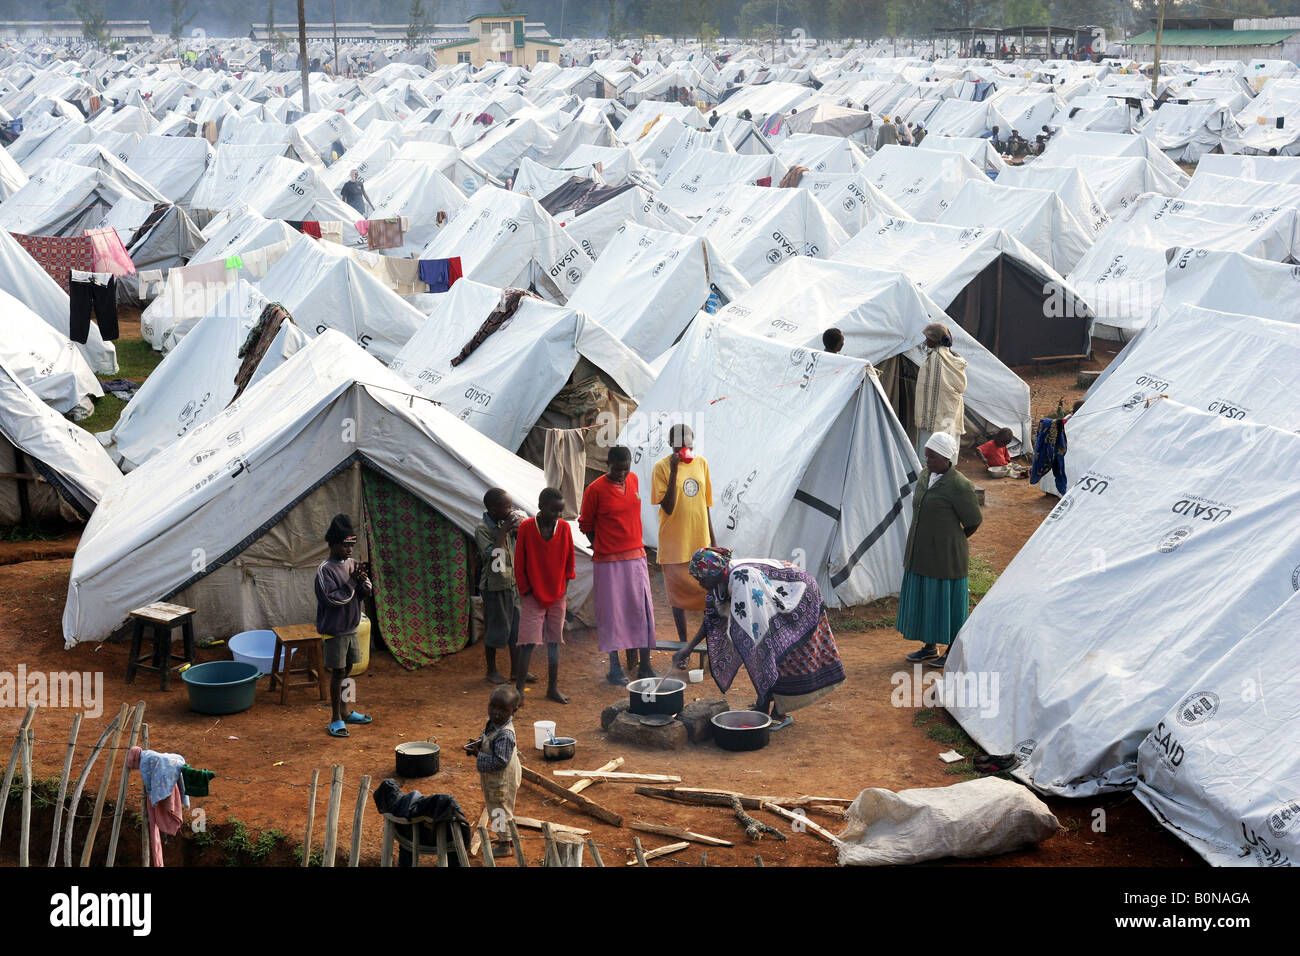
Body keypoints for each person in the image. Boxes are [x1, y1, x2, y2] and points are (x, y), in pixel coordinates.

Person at [671, 548, 846, 728]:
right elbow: (712, 620)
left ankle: (779, 713)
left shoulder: (742, 579)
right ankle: (764, 702)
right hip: (778, 595)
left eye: (702, 579)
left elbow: (757, 632)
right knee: (766, 652)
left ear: (714, 573)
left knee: (781, 652)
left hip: (799, 594)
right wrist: (688, 648)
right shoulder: (717, 583)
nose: (700, 584)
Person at [898, 433, 982, 666]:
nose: (928, 461)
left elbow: (974, 520)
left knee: (946, 603)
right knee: (926, 600)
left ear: (947, 459)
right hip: (920, 552)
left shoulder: (959, 485)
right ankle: (929, 646)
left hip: (946, 557)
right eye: (926, 456)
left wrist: (953, 540)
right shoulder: (925, 476)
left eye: (932, 457)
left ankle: (951, 651)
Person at [580, 446, 657, 686]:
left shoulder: (633, 480)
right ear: (607, 464)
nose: (622, 473)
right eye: (617, 469)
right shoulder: (594, 490)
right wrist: (600, 545)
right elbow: (586, 524)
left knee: (641, 609)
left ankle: (645, 664)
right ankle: (614, 668)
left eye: (626, 468)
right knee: (613, 613)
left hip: (636, 555)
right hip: (608, 560)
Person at [653, 424, 716, 646]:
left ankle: (706, 645)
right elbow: (668, 507)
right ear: (670, 445)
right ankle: (683, 643)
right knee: (677, 599)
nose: (683, 448)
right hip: (673, 545)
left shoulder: (702, 463)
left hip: (700, 544)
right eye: (678, 444)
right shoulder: (661, 468)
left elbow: (706, 505)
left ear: (693, 441)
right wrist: (674, 471)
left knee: (708, 597)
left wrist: (713, 544)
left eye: (687, 443)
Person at [514, 487, 575, 704]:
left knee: (554, 641)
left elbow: (569, 561)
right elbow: (519, 562)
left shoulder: (565, 528)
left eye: (560, 511)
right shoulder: (527, 528)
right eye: (553, 511)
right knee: (528, 642)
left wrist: (564, 587)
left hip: (557, 593)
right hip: (533, 593)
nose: (558, 515)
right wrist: (526, 590)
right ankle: (519, 689)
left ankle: (552, 688)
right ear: (540, 508)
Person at [316, 514, 373, 738]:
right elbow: (332, 600)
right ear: (333, 544)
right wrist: (352, 582)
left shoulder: (353, 565)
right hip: (335, 630)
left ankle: (346, 712)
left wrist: (362, 581)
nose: (349, 550)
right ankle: (335, 718)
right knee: (338, 672)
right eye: (345, 546)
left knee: (348, 671)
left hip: (351, 628)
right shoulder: (325, 570)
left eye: (352, 545)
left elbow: (367, 590)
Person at [473, 488, 533, 686]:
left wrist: (516, 527)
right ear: (492, 509)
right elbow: (493, 555)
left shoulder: (503, 523)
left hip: (510, 582)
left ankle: (516, 671)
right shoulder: (483, 528)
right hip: (494, 587)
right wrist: (504, 531)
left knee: (515, 630)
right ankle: (491, 670)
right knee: (495, 629)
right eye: (505, 507)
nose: (509, 510)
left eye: (510, 506)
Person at [464, 685, 521, 857]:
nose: (496, 712)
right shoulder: (493, 724)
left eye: (502, 710)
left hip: (502, 781)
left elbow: (500, 761)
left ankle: (505, 846)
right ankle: (504, 838)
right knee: (496, 809)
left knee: (500, 811)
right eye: (492, 707)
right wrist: (479, 743)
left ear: (513, 711)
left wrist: (478, 754)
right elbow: (489, 741)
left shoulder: (505, 734)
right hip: (497, 779)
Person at [914, 322, 968, 459]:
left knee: (933, 446)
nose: (926, 340)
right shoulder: (953, 356)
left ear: (935, 339)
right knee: (948, 445)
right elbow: (959, 385)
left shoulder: (935, 358)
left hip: (935, 413)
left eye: (928, 338)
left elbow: (934, 385)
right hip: (950, 409)